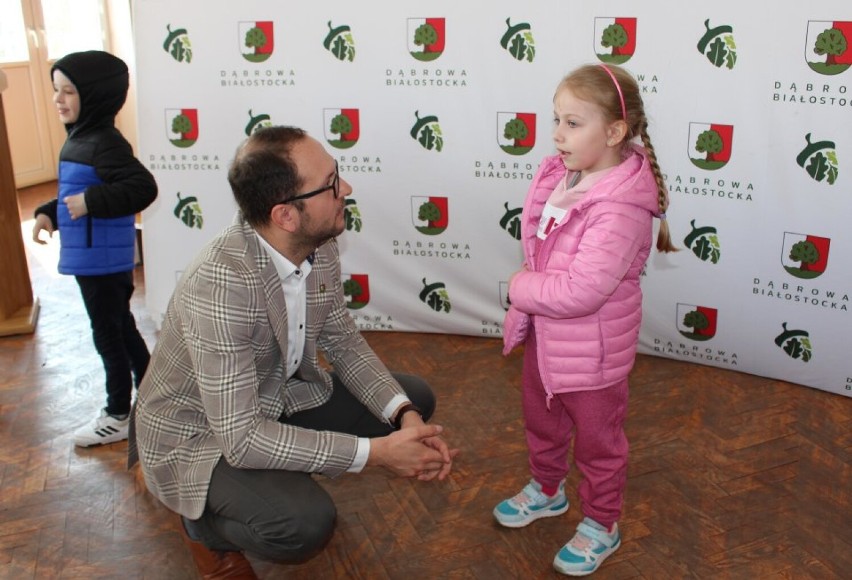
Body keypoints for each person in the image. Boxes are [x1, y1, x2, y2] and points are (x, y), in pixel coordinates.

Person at [131, 125, 458, 578]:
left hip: (274, 399)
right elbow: (241, 437)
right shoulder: (220, 283)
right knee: (303, 526)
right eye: (330, 184)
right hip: (199, 432)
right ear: (285, 215)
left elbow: (343, 341)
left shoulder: (315, 243)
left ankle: (276, 473)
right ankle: (201, 526)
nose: (346, 188)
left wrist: (404, 418)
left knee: (412, 396)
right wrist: (379, 454)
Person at [494, 63, 677, 576]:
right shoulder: (563, 173)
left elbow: (581, 290)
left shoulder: (620, 206)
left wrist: (517, 289)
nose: (556, 134)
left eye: (573, 123)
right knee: (542, 423)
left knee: (599, 446)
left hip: (592, 358)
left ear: (615, 132)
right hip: (547, 342)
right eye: (556, 119)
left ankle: (602, 522)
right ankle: (548, 490)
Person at [32, 50, 157, 447]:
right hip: (91, 257)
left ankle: (118, 413)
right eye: (56, 90)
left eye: (69, 91)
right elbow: (74, 193)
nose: (58, 99)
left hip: (102, 260)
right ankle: (154, 395)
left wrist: (89, 204)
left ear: (96, 96)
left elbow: (142, 188)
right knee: (121, 327)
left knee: (108, 335)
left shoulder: (104, 142)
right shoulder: (80, 139)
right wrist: (48, 214)